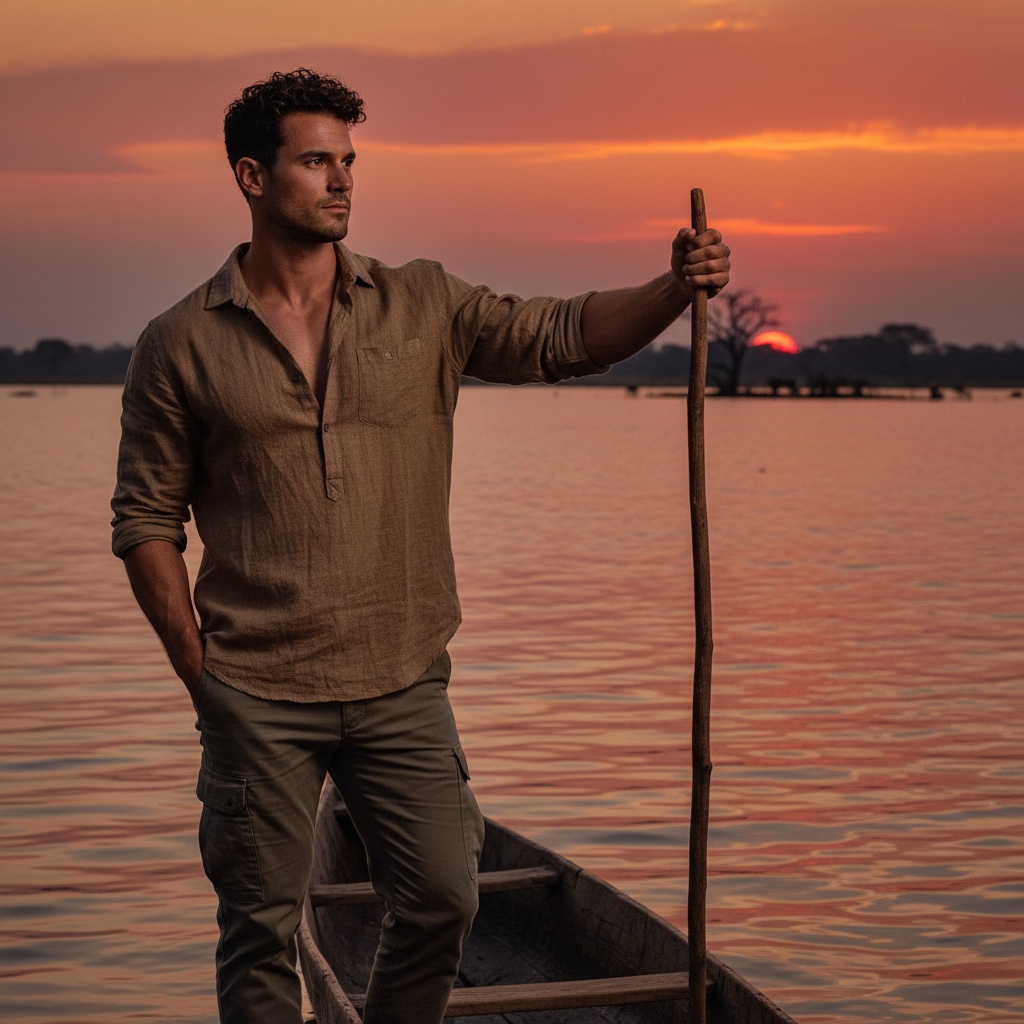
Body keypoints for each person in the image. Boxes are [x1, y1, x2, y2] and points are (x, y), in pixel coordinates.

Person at [111, 68, 730, 1024]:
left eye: (349, 162)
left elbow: (562, 336)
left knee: (445, 896)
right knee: (261, 932)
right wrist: (205, 679)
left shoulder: (422, 304)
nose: (342, 180)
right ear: (250, 175)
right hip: (258, 696)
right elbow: (147, 521)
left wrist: (670, 289)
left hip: (402, 681)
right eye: (316, 161)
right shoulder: (181, 343)